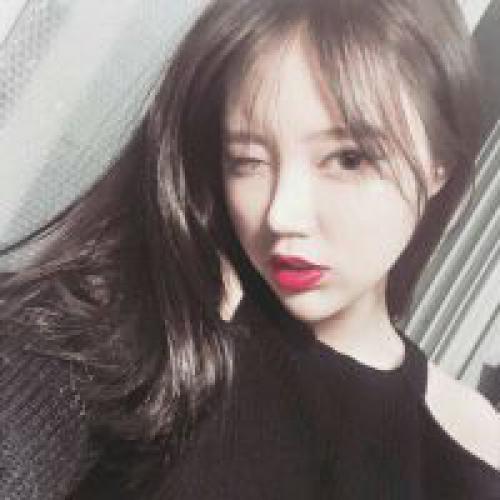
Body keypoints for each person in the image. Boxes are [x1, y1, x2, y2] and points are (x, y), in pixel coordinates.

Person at [1, 0, 499, 498]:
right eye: (247, 161)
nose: (281, 214)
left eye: (348, 159)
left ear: (438, 169)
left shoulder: (470, 452)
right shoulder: (154, 326)